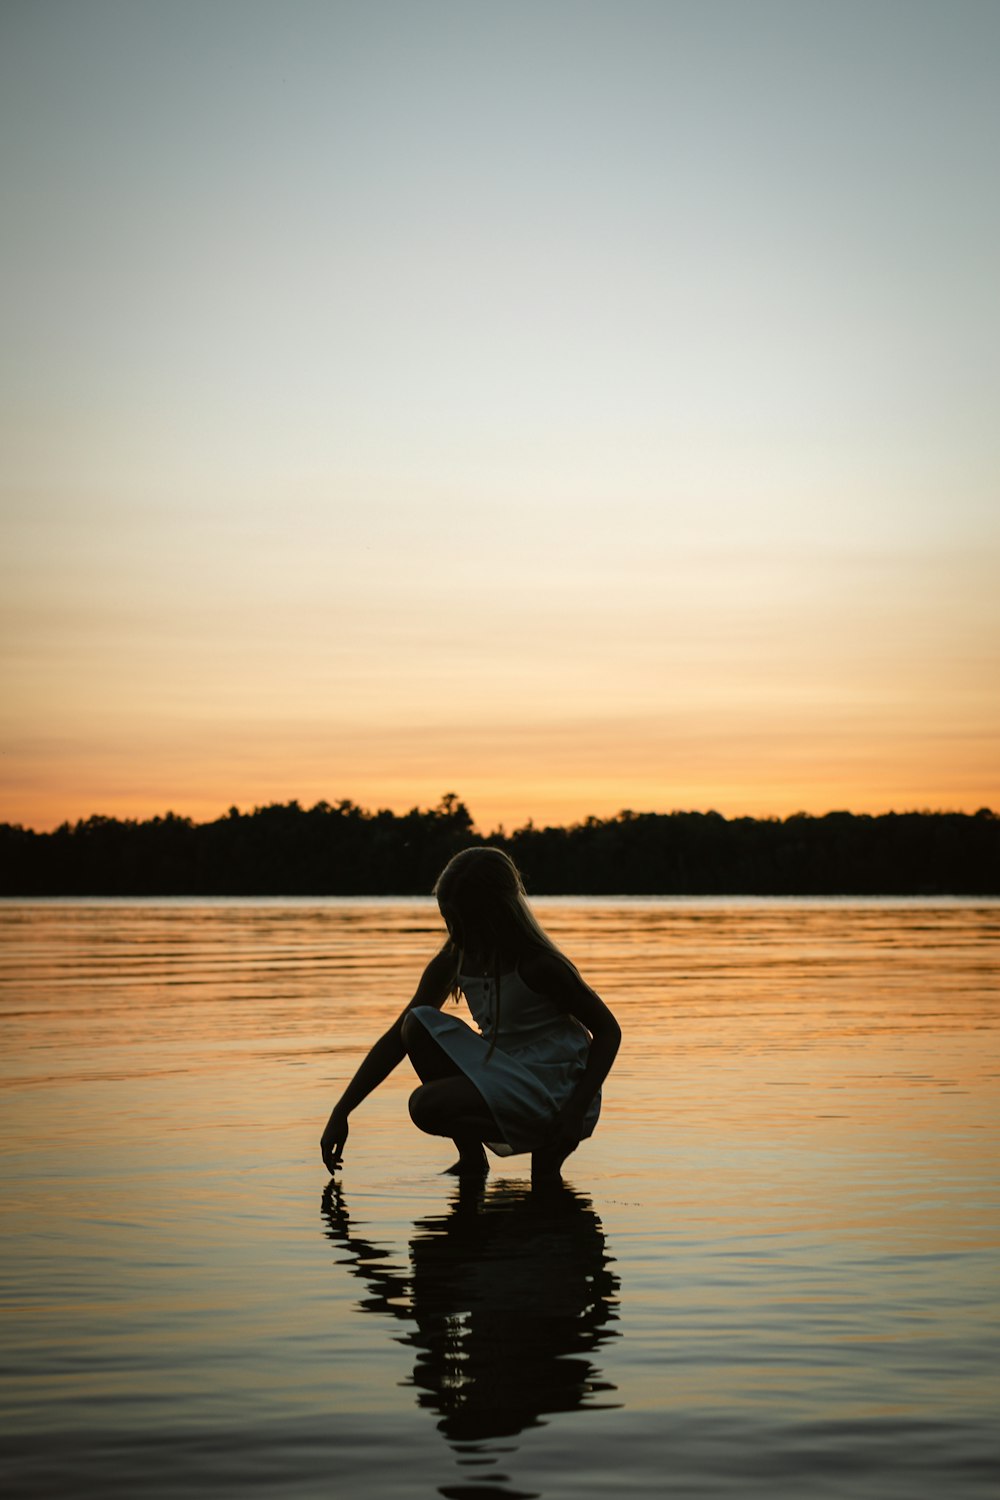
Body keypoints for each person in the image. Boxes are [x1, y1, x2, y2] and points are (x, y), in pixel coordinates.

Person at [320, 846, 621, 1183]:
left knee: (427, 1105)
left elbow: (609, 1031)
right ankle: (472, 1160)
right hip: (508, 1075)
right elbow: (396, 1040)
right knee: (417, 1023)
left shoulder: (538, 965)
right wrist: (342, 1110)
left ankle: (548, 1149)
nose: (455, 933)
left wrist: (575, 1109)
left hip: (558, 1087)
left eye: (463, 922)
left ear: (495, 915)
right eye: (449, 921)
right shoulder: (454, 960)